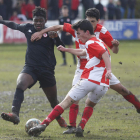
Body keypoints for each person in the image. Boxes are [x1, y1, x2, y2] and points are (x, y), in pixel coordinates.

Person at [30, 7, 140, 134]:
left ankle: (47, 124)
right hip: (86, 69)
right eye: (88, 20)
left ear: (98, 21)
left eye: (93, 21)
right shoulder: (80, 29)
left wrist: (114, 51)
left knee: (121, 90)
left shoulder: (99, 34)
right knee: (77, 100)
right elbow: (63, 32)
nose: (90, 24)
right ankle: (74, 127)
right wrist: (44, 34)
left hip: (97, 71)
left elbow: (108, 51)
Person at [28, 19, 112, 137]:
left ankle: (43, 124)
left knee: (66, 102)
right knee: (89, 104)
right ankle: (80, 127)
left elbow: (103, 53)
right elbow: (84, 52)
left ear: (87, 32)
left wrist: (109, 70)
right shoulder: (97, 41)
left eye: (78, 33)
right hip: (103, 85)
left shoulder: (90, 43)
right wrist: (66, 49)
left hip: (90, 79)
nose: (77, 36)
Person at [0, 6, 67, 128]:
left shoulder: (50, 32)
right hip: (31, 68)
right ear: (33, 19)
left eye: (41, 21)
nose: (38, 23)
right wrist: (1, 21)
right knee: (20, 84)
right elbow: (13, 24)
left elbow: (62, 49)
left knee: (53, 101)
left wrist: (56, 38)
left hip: (47, 70)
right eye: (36, 20)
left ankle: (59, 117)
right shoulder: (27, 28)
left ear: (45, 21)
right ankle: (14, 114)